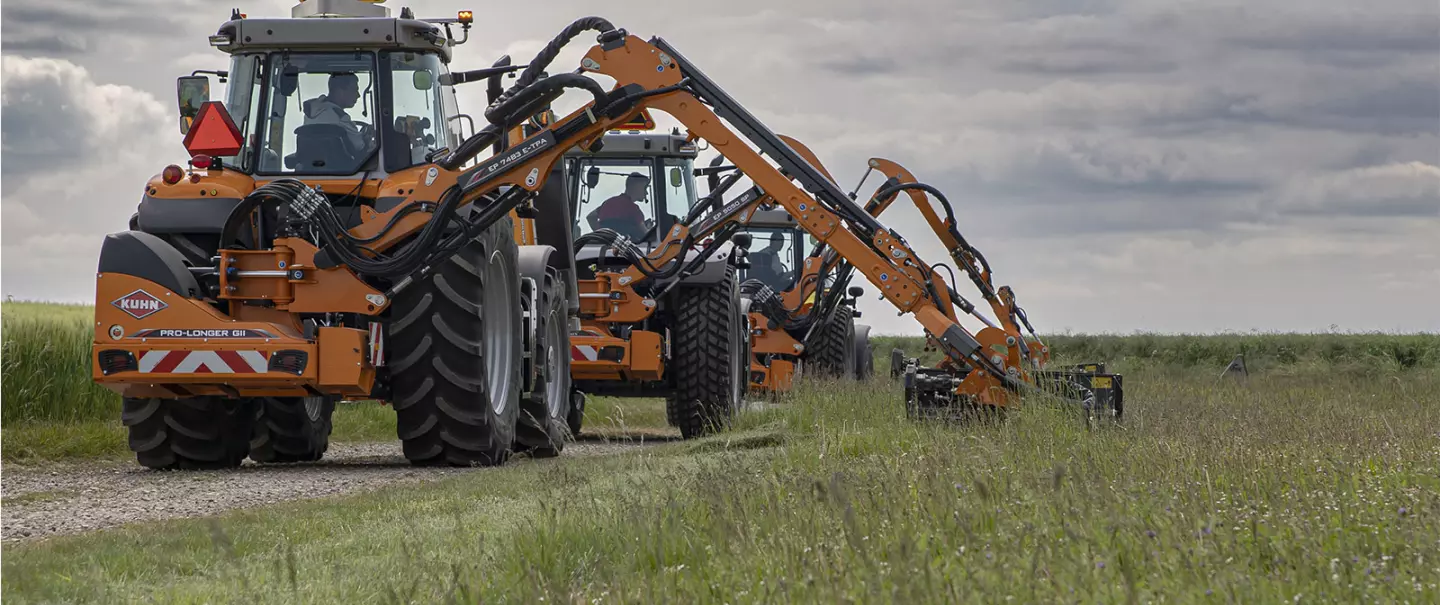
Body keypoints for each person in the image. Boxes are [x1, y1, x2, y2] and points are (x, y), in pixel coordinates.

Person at [302, 72, 373, 152]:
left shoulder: (311, 112)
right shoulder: (340, 118)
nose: (358, 95)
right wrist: (367, 137)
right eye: (354, 90)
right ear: (340, 91)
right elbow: (360, 147)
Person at [587, 172, 650, 240]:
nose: (646, 192)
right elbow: (645, 234)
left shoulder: (608, 203)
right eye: (644, 188)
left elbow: (590, 217)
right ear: (636, 187)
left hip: (605, 246)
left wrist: (601, 235)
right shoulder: (634, 209)